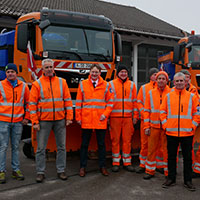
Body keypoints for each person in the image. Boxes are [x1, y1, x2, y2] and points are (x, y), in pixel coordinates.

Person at [29, 58, 73, 183]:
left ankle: (61, 170)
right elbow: (32, 105)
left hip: (60, 120)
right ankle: (40, 172)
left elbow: (68, 101)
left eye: (50, 67)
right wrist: (35, 122)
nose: (49, 69)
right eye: (46, 67)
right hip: (43, 121)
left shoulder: (62, 82)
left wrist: (69, 117)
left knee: (62, 147)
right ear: (42, 69)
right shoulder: (37, 84)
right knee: (41, 148)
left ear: (54, 68)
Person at [160, 72, 199, 191]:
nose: (179, 83)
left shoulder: (192, 97)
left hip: (187, 133)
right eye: (177, 81)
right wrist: (166, 125)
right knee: (171, 157)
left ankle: (188, 181)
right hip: (171, 132)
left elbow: (196, 113)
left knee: (187, 158)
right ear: (173, 82)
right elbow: (162, 112)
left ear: (186, 82)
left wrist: (192, 126)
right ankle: (171, 178)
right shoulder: (168, 96)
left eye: (181, 81)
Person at [76, 64, 114, 177]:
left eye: (96, 72)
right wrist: (78, 117)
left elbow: (110, 102)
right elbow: (79, 102)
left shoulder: (106, 85)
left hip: (100, 119)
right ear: (89, 72)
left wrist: (105, 115)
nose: (94, 74)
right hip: (87, 119)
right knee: (84, 145)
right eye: (92, 72)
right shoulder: (82, 85)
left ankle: (102, 167)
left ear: (100, 73)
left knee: (101, 144)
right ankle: (82, 167)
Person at [0, 63, 29, 184]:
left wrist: (26, 117)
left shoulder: (24, 87)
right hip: (3, 122)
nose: (10, 74)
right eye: (8, 72)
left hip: (18, 122)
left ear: (16, 73)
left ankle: (16, 170)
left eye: (12, 71)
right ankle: (1, 171)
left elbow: (28, 103)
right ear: (5, 74)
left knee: (16, 147)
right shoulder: (0, 85)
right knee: (3, 147)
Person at [109, 65, 138, 172]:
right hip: (114, 118)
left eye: (125, 72)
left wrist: (135, 116)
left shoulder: (132, 85)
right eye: (121, 72)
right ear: (117, 73)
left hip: (128, 118)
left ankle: (127, 162)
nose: (123, 74)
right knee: (115, 140)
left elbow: (135, 102)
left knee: (127, 141)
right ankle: (116, 162)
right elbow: (107, 101)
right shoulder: (111, 84)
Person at [143, 71, 171, 179]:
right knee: (151, 149)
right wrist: (146, 126)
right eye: (159, 78)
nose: (161, 80)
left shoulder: (171, 93)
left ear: (167, 80)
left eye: (163, 78)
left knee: (166, 150)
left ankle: (167, 171)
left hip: (166, 128)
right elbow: (146, 111)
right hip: (153, 127)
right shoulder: (151, 93)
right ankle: (149, 171)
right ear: (156, 80)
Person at [136, 68, 159, 173]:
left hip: (157, 122)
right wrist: (143, 113)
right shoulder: (144, 88)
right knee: (144, 143)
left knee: (158, 145)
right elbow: (139, 102)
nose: (156, 77)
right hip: (145, 120)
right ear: (150, 76)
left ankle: (157, 165)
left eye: (158, 75)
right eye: (154, 75)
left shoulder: (164, 88)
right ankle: (142, 164)